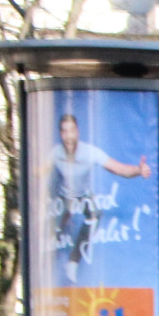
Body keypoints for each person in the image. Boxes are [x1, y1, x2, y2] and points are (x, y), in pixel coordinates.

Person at [45, 110, 150, 280]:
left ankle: (72, 262)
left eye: (72, 130)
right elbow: (38, 172)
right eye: (65, 131)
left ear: (77, 132)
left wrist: (138, 170)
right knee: (56, 227)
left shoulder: (89, 152)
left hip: (82, 195)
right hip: (63, 196)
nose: (69, 136)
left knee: (94, 215)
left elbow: (120, 169)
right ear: (60, 134)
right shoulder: (55, 152)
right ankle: (49, 258)